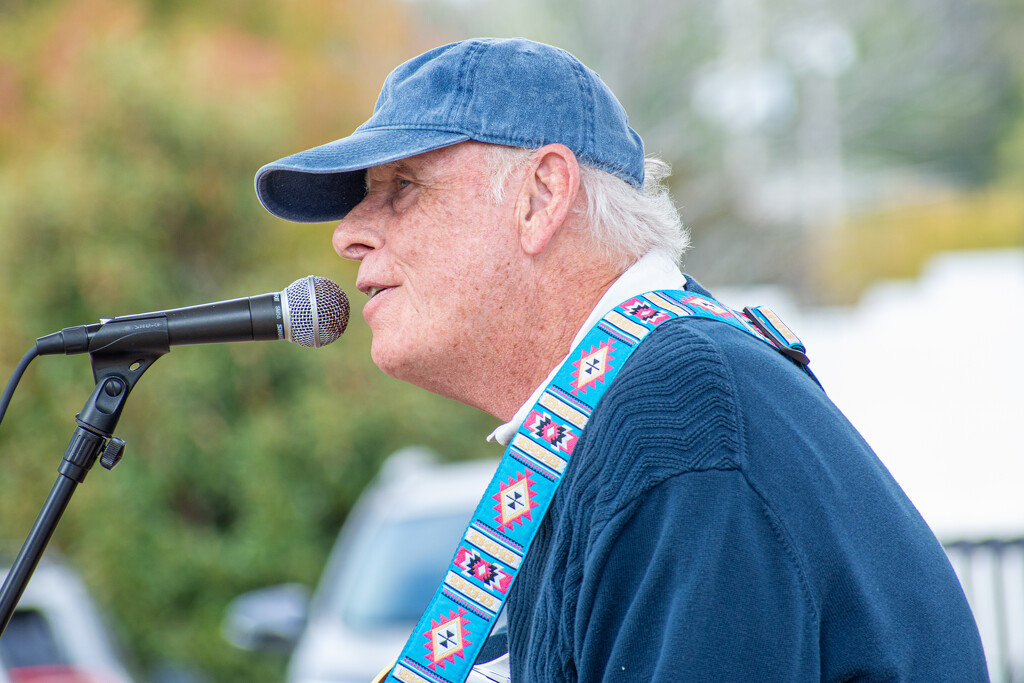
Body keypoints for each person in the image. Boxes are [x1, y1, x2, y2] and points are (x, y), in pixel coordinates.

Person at [254, 38, 988, 682]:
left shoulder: (680, 416)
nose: (348, 234)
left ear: (542, 197)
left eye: (402, 188)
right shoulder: (644, 406)